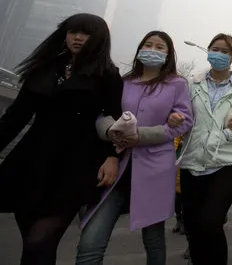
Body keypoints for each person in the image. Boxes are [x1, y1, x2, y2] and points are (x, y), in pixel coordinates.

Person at [0, 13, 123, 265]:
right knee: (29, 237)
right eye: (73, 31)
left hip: (76, 165)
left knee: (40, 240)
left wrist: (112, 157)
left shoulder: (108, 75)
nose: (78, 37)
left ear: (98, 39)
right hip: (31, 160)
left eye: (86, 33)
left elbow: (114, 119)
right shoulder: (45, 68)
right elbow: (15, 117)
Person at [76, 30, 194, 265]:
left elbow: (186, 120)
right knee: (90, 243)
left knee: (153, 239)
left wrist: (148, 132)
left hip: (155, 169)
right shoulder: (123, 82)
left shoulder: (177, 84)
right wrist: (111, 131)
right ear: (139, 50)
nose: (153, 49)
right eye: (148, 45)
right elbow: (104, 114)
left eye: (160, 47)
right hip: (117, 166)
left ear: (168, 54)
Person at [177, 33, 232, 265]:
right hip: (192, 161)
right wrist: (176, 119)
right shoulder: (191, 83)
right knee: (192, 227)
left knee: (211, 222)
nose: (219, 54)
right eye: (215, 49)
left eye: (225, 51)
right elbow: (182, 114)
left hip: (226, 163)